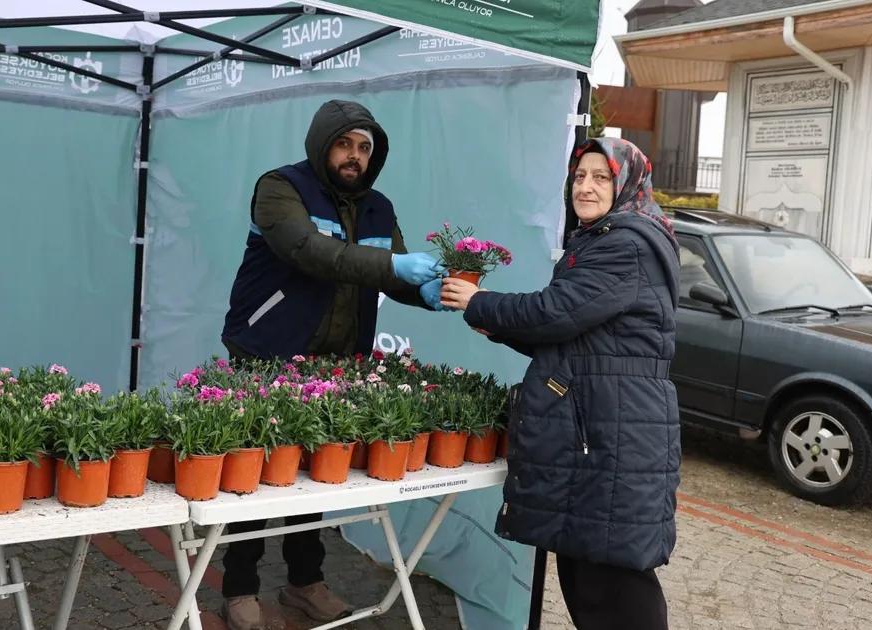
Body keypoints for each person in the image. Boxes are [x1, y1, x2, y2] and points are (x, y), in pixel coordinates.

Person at [219, 99, 447, 629]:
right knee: (255, 474)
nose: (354, 156)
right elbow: (310, 252)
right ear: (323, 145)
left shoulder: (378, 207)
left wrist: (429, 291)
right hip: (267, 353)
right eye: (344, 144)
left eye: (364, 148)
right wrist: (397, 264)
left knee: (316, 481)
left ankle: (304, 584)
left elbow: (392, 273)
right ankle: (239, 589)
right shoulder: (280, 188)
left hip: (337, 366)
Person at [440, 137, 680, 630]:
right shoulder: (602, 239)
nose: (586, 187)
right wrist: (501, 325)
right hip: (601, 425)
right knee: (588, 569)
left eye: (601, 177)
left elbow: (555, 312)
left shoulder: (625, 245)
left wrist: (480, 301)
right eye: (579, 176)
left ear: (627, 183)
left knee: (612, 581)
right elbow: (576, 339)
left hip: (612, 432)